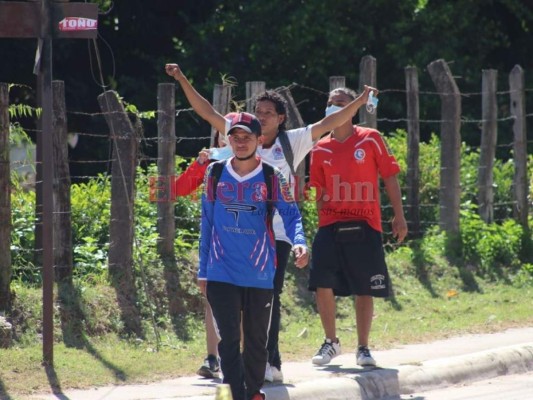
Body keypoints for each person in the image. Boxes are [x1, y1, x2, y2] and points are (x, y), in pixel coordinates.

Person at [165, 62, 374, 381]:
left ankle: (269, 361)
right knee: (234, 300)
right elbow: (206, 112)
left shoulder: (293, 141)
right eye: (257, 110)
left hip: (275, 234)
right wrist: (181, 78)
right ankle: (232, 361)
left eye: (267, 112)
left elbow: (330, 121)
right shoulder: (239, 134)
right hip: (235, 233)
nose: (260, 115)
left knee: (265, 299)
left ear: (280, 118)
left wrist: (358, 102)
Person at [198, 112, 309, 400]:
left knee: (258, 345)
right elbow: (207, 223)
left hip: (260, 274)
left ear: (259, 140)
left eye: (247, 137)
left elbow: (292, 215)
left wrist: (300, 243)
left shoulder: (273, 176)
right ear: (228, 140)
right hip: (221, 272)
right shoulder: (215, 173)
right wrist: (203, 270)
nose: (241, 142)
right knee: (229, 341)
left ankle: (252, 391)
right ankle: (239, 396)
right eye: (235, 137)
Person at [307, 87, 408, 367]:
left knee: (365, 287)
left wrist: (398, 216)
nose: (334, 108)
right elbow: (320, 191)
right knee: (321, 282)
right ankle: (331, 342)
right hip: (330, 224)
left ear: (353, 108)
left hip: (366, 222)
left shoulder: (371, 139)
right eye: (330, 103)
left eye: (341, 103)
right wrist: (321, 224)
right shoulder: (319, 147)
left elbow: (390, 177)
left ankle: (363, 347)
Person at [171, 121, 235, 379]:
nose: (226, 142)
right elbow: (178, 190)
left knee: (242, 302)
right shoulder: (209, 164)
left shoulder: (257, 163)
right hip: (215, 239)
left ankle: (239, 355)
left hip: (248, 242)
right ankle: (212, 358)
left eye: (233, 136)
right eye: (223, 136)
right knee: (212, 298)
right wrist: (199, 164)